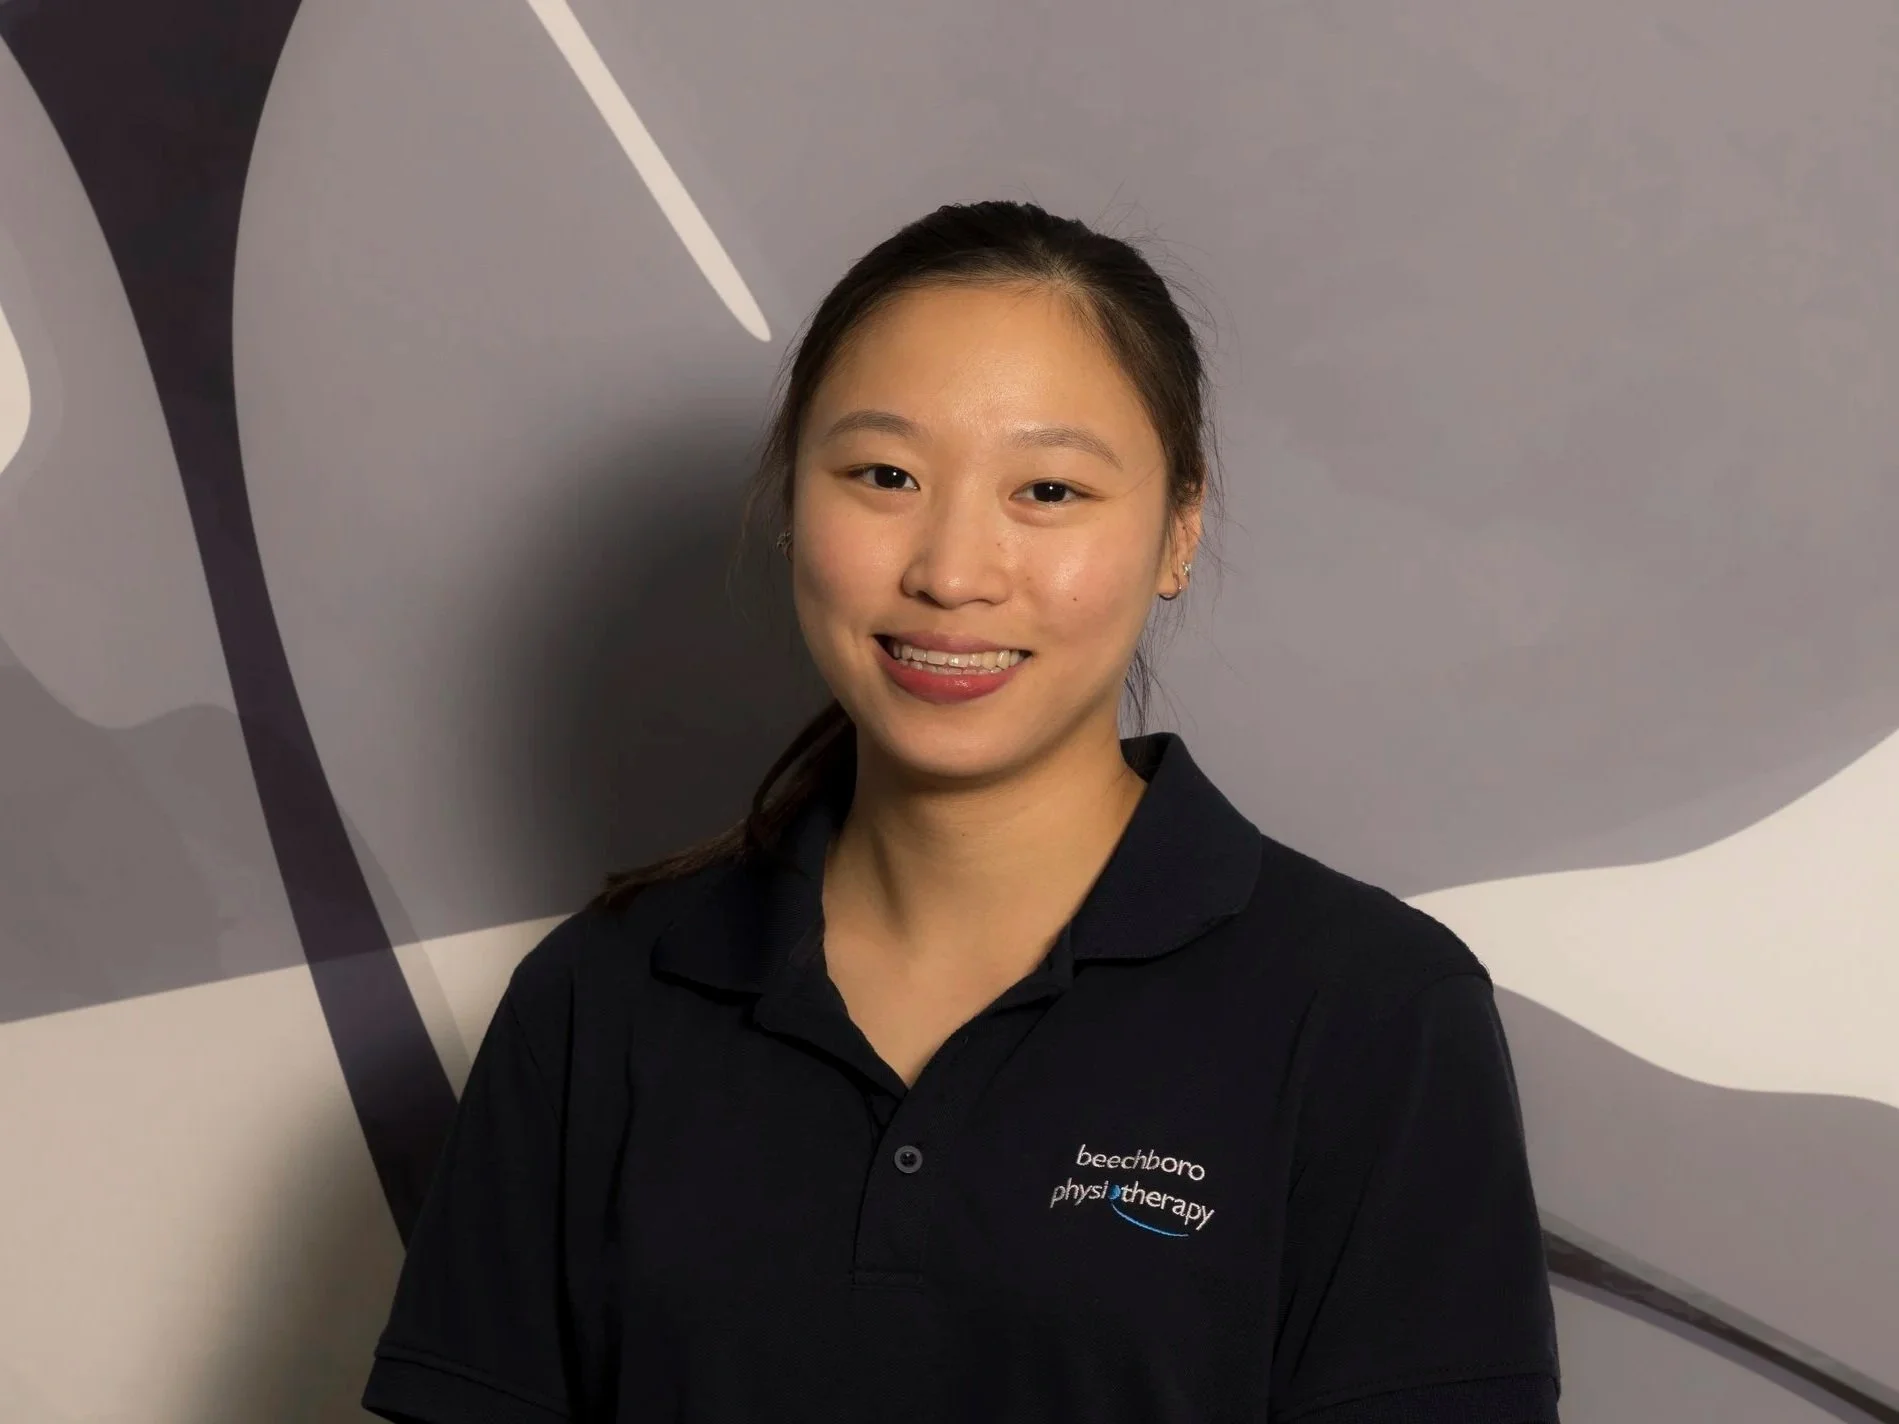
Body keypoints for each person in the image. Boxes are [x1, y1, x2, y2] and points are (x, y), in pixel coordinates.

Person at [360, 200, 1561, 1424]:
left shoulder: (1373, 1012)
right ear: (791, 498)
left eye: (1048, 488)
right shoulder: (601, 999)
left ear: (1177, 530)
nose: (951, 570)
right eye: (884, 475)